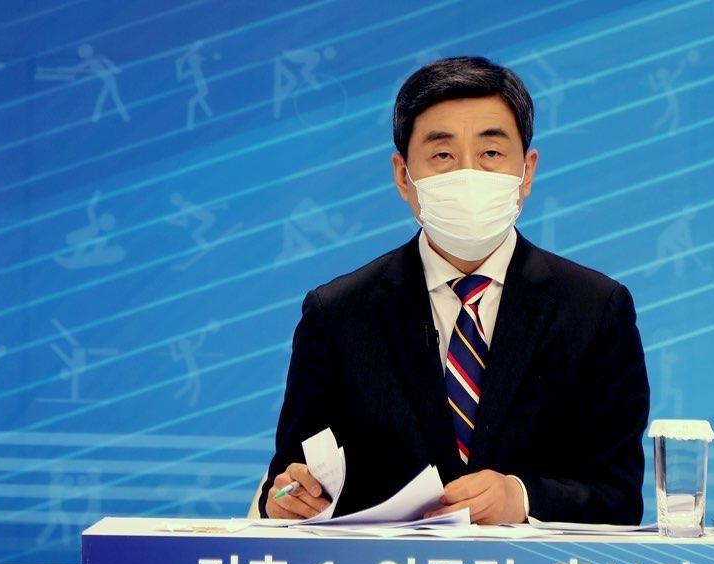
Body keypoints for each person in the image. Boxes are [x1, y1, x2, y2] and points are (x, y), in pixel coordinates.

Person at [259, 56, 649, 525]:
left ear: (527, 172)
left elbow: (618, 497)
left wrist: (521, 498)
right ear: (403, 176)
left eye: (491, 153)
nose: (469, 175)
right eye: (443, 155)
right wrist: (285, 499)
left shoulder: (595, 310)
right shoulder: (337, 315)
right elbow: (287, 480)